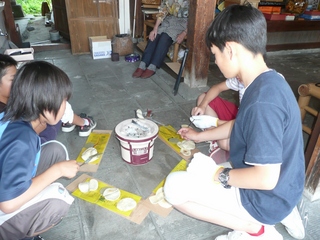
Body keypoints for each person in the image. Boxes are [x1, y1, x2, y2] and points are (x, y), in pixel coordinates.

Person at [163, 5, 305, 240]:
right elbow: (240, 125)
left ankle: (255, 229)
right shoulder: (268, 80)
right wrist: (199, 136)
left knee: (173, 187)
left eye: (215, 55)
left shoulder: (262, 102)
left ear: (230, 50)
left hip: (265, 197)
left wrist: (218, 174)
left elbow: (265, 178)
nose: (216, 62)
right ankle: (284, 211)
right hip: (284, 186)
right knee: (205, 168)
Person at [0, 60, 80, 240]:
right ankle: (20, 235)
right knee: (57, 200)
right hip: (4, 202)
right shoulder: (21, 138)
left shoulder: (15, 117)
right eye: (63, 101)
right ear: (44, 102)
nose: (65, 106)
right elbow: (7, 203)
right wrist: (57, 171)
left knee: (55, 151)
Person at [0, 54, 97, 143]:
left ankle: (71, 120)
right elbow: (16, 140)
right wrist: (37, 128)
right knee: (56, 106)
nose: (19, 81)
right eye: (13, 79)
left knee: (54, 103)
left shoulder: (13, 97)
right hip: (34, 143)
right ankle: (83, 123)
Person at [132, 0, 188, 79]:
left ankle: (153, 66)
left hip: (183, 23)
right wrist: (155, 28)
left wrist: (184, 33)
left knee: (164, 38)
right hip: (169, 20)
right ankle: (143, 63)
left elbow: (195, 18)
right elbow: (162, 12)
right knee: (155, 35)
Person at [190, 77, 244, 153]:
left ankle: (213, 134)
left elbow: (243, 126)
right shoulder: (242, 77)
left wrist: (213, 122)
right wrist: (203, 106)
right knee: (203, 98)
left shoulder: (260, 96)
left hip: (248, 129)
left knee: (225, 143)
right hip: (240, 116)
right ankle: (213, 134)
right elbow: (217, 87)